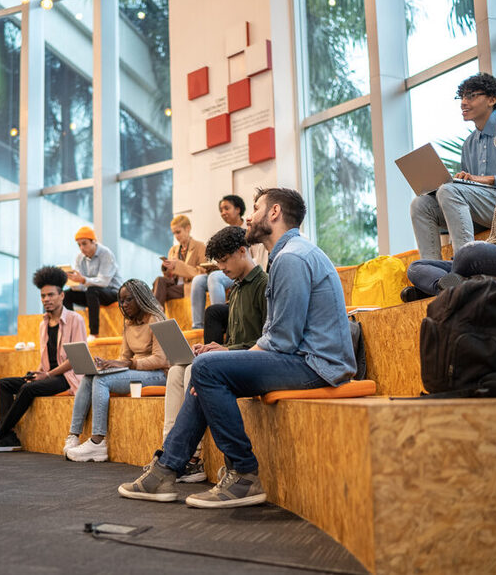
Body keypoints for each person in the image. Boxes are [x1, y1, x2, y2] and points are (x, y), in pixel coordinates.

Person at [118, 187, 355, 508]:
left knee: (206, 368)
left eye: (255, 208)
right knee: (206, 370)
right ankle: (166, 469)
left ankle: (242, 473)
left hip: (316, 365)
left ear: (274, 213)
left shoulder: (292, 258)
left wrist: (231, 357)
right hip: (307, 359)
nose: (249, 216)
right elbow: (279, 338)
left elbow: (282, 341)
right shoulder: (287, 255)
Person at [160, 226, 268, 482]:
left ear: (242, 251)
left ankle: (192, 458)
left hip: (255, 360)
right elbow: (235, 339)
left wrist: (225, 350)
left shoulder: (263, 285)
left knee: (197, 370)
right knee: (177, 370)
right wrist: (214, 347)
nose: (220, 267)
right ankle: (170, 451)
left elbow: (267, 341)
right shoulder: (238, 288)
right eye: (217, 261)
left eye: (224, 260)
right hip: (236, 357)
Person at [405, 109, 496, 298]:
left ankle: (443, 287)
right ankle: (452, 286)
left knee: (470, 252)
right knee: (417, 267)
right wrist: (490, 250)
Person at [0, 266, 86, 452]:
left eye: (51, 295)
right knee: (4, 384)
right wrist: (39, 373)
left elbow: (76, 361)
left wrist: (47, 375)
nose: (46, 299)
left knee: (28, 388)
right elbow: (46, 357)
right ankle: (10, 437)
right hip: (48, 376)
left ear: (62, 296)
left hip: (68, 378)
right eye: (43, 296)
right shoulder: (43, 324)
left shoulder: (75, 319)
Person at [409, 73, 496, 261]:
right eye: (462, 97)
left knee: (450, 191)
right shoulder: (469, 144)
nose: (463, 102)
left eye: (471, 96)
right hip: (482, 209)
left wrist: (487, 179)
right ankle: (432, 269)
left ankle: (465, 265)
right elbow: (467, 191)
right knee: (421, 204)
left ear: (492, 99)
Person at [64, 279, 169, 462]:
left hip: (160, 374)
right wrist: (108, 365)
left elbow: (160, 360)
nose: (124, 305)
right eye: (122, 301)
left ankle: (98, 443)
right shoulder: (128, 323)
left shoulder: (156, 318)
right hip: (138, 370)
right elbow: (124, 357)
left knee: (102, 381)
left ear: (141, 298)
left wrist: (127, 364)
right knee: (91, 376)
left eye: (129, 300)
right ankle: (73, 435)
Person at [189, 195, 246, 329]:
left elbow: (253, 259)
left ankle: (221, 321)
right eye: (221, 209)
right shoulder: (225, 232)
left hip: (241, 271)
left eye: (227, 208)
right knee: (198, 280)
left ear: (238, 209)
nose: (223, 212)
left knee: (215, 277)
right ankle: (197, 326)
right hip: (224, 269)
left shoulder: (248, 230)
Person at [63, 226, 123, 340]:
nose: (81, 248)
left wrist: (83, 280)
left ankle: (94, 333)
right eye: (79, 245)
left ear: (93, 241)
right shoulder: (79, 258)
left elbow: (104, 281)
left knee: (92, 290)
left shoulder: (106, 253)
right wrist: (72, 282)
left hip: (113, 293)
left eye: (84, 244)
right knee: (66, 295)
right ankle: (71, 332)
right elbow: (81, 285)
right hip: (92, 295)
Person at [152, 215, 206, 307]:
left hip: (189, 286)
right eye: (174, 233)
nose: (176, 236)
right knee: (159, 280)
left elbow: (202, 273)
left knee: (156, 292)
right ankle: (156, 314)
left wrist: (177, 266)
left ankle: (155, 315)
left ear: (188, 228)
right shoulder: (173, 250)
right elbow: (168, 277)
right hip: (175, 285)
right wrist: (167, 268)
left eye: (178, 232)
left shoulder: (200, 247)